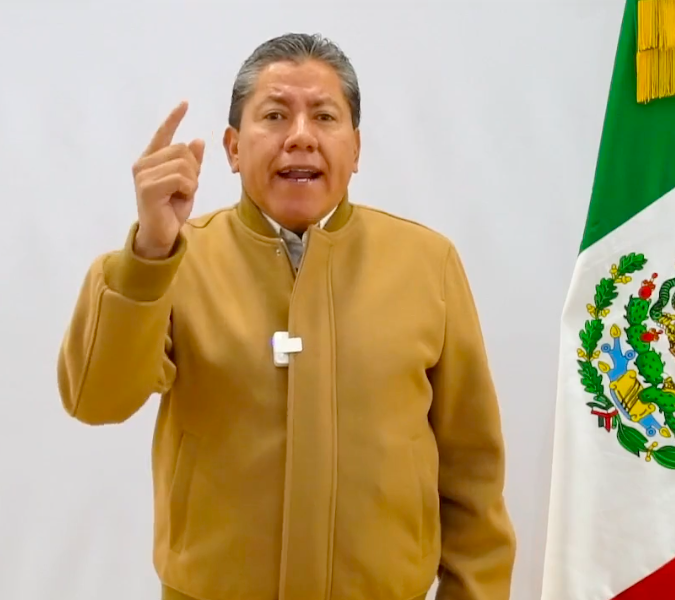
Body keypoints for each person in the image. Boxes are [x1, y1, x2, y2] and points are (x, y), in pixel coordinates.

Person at [57, 33, 516, 600]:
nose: (300, 136)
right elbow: (96, 399)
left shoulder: (428, 263)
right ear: (232, 148)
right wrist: (148, 254)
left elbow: (473, 472)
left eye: (324, 116)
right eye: (274, 115)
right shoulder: (172, 261)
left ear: (355, 149)